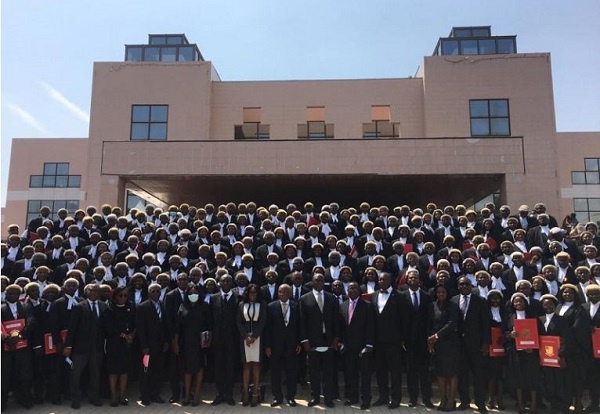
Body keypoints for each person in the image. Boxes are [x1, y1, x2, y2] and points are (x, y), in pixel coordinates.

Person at [63, 283, 108, 409]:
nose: (94, 293)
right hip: (80, 348)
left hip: (97, 347)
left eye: (97, 291)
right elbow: (72, 328)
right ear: (86, 292)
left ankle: (94, 397)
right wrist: (68, 346)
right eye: (91, 291)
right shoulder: (79, 307)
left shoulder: (104, 306)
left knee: (95, 374)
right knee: (76, 374)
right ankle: (75, 398)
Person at [299, 273, 339, 408]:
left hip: (328, 341)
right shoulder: (304, 299)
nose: (319, 282)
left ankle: (328, 398)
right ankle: (315, 397)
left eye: (321, 280)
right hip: (312, 341)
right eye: (317, 280)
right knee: (314, 372)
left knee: (329, 372)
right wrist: (304, 340)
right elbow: (302, 322)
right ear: (312, 282)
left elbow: (336, 320)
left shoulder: (331, 298)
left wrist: (336, 338)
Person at [452, 276, 490, 413]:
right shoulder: (454, 300)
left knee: (478, 375)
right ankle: (464, 401)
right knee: (462, 375)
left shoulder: (480, 301)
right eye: (461, 284)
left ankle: (480, 403)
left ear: (471, 285)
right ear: (458, 286)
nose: (464, 286)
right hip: (459, 345)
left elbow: (486, 324)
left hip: (476, 344)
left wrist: (486, 343)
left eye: (467, 284)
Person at [173, 284, 212, 406]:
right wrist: (176, 343)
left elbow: (210, 325)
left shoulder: (205, 306)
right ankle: (186, 395)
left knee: (199, 368)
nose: (193, 295)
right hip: (185, 342)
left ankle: (196, 396)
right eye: (190, 293)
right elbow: (178, 327)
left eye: (195, 293)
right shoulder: (182, 306)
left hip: (200, 342)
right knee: (187, 369)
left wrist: (209, 339)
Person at [338, 281, 374, 410]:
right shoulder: (342, 306)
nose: (351, 290)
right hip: (348, 347)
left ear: (359, 290)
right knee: (351, 374)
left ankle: (365, 399)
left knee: (365, 375)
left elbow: (370, 327)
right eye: (349, 288)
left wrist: (369, 345)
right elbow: (341, 327)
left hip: (363, 347)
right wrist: (340, 343)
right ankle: (353, 397)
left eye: (354, 288)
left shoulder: (367, 306)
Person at [401, 269, 434, 408]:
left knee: (424, 371)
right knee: (411, 371)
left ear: (419, 280)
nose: (413, 280)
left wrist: (429, 338)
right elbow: (400, 319)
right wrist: (402, 338)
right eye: (411, 278)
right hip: (409, 340)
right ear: (407, 280)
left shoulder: (427, 296)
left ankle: (427, 399)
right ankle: (413, 398)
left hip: (423, 340)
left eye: (415, 278)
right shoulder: (401, 296)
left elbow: (430, 318)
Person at [505, 292, 542, 414]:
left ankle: (533, 405)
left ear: (525, 303)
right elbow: (503, 334)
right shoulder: (509, 316)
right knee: (518, 379)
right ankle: (520, 405)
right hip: (516, 352)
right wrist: (510, 335)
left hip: (531, 353)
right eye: (515, 302)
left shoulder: (533, 316)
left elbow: (539, 333)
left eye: (520, 301)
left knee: (532, 378)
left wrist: (533, 347)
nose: (518, 303)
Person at [265, 284, 301, 407]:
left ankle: (291, 397)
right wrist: (267, 346)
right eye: (280, 292)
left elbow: (298, 327)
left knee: (291, 372)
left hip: (291, 345)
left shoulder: (296, 306)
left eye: (285, 292)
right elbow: (268, 328)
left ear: (290, 293)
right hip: (275, 346)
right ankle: (277, 397)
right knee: (275, 372)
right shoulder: (271, 307)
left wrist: (298, 343)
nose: (282, 294)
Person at [371, 272, 403, 409]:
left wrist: (402, 338)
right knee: (380, 370)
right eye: (380, 279)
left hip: (394, 341)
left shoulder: (400, 296)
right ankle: (383, 396)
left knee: (395, 371)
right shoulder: (374, 295)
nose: (382, 281)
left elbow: (403, 319)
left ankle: (396, 398)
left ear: (391, 280)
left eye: (384, 279)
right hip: (378, 341)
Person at [428, 283, 461, 412]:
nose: (441, 294)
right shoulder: (432, 306)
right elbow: (429, 323)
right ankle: (443, 398)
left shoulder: (453, 306)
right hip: (437, 344)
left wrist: (437, 335)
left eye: (443, 292)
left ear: (447, 294)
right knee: (440, 373)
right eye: (439, 292)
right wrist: (430, 338)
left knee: (452, 373)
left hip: (451, 343)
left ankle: (452, 400)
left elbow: (452, 323)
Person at [136, 282, 169, 406]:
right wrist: (144, 346)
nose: (156, 293)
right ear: (149, 293)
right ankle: (145, 396)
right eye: (153, 291)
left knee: (158, 371)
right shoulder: (142, 307)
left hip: (160, 347)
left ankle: (155, 394)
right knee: (145, 372)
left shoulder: (162, 305)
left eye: (158, 291)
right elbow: (140, 328)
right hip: (147, 348)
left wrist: (166, 342)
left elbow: (165, 326)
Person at [209, 274, 239, 406]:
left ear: (232, 283)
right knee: (219, 367)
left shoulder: (238, 298)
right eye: (223, 281)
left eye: (228, 280)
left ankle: (229, 394)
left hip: (233, 339)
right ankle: (219, 394)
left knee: (230, 367)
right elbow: (210, 319)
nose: (226, 282)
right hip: (217, 339)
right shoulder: (213, 298)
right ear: (219, 283)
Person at [104, 286, 136, 406]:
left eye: (125, 296)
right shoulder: (109, 309)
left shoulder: (131, 307)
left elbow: (134, 323)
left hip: (127, 344)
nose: (123, 298)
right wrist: (123, 335)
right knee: (113, 371)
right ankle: (113, 396)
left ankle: (122, 396)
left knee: (124, 371)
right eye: (120, 295)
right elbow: (109, 326)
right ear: (115, 297)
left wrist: (131, 335)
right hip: (114, 343)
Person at [236, 283, 267, 406]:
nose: (252, 295)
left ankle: (255, 393)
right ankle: (245, 392)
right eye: (250, 293)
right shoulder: (241, 305)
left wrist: (254, 336)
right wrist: (246, 336)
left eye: (255, 293)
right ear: (247, 294)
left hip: (257, 338)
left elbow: (263, 321)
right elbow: (238, 322)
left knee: (256, 365)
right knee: (246, 365)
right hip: (244, 338)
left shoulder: (262, 305)